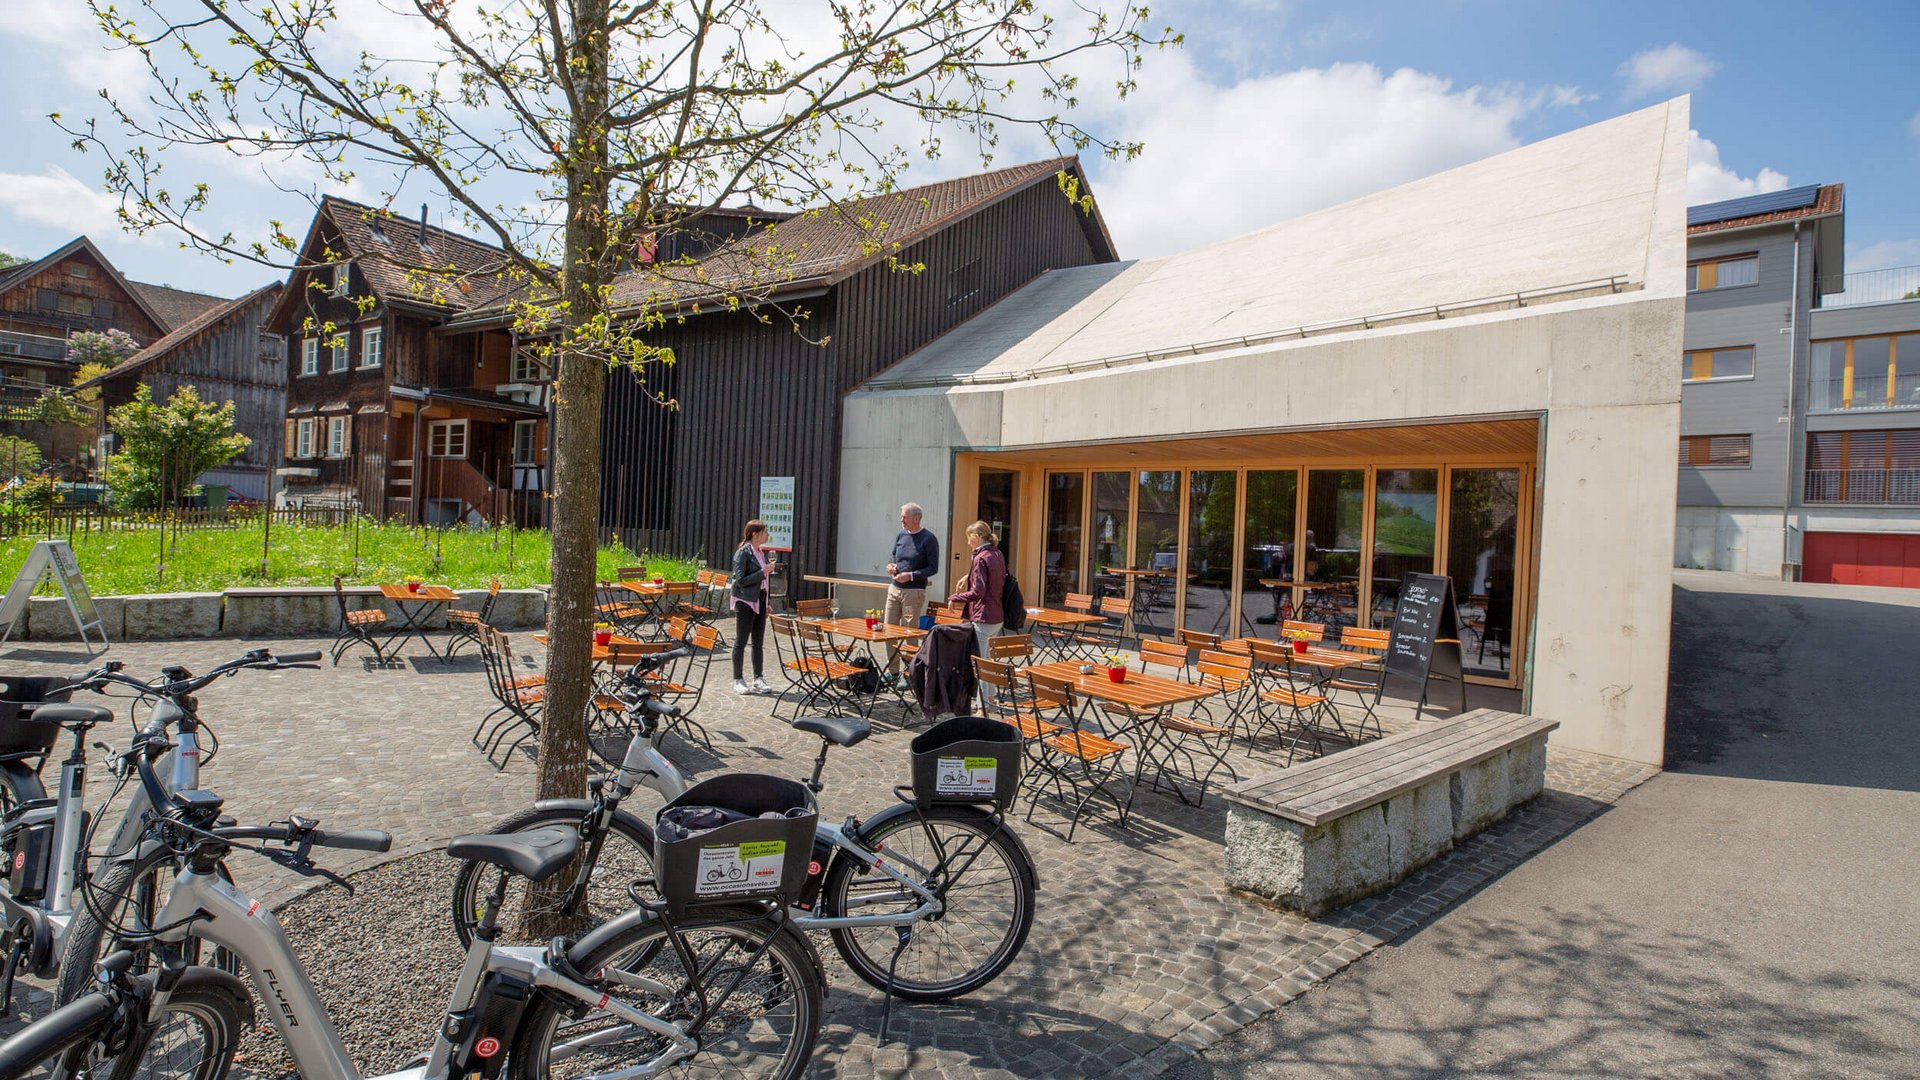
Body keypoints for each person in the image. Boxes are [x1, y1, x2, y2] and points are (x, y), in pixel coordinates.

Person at [945, 521, 1007, 701]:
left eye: (968, 538)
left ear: (977, 537)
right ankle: (990, 698)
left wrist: (955, 597)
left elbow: (978, 592)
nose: (967, 542)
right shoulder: (996, 553)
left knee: (980, 664)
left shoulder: (980, 558)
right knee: (987, 661)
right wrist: (968, 575)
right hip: (997, 615)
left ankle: (982, 707)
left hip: (983, 616)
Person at [883, 502, 940, 685]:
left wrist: (912, 576)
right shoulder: (900, 535)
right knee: (889, 629)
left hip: (913, 591)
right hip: (894, 589)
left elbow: (933, 568)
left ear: (916, 518)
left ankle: (910, 674)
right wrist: (892, 566)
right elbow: (893, 556)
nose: (902, 520)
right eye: (902, 516)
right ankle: (892, 672)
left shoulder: (929, 539)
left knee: (909, 632)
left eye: (905, 517)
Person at [729, 519, 776, 694]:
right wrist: (763, 571)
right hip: (745, 600)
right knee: (741, 641)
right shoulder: (743, 552)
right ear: (755, 534)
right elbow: (740, 580)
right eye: (765, 532)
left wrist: (767, 602)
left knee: (758, 642)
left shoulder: (761, 552)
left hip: (760, 600)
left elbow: (765, 583)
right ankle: (738, 679)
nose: (767, 535)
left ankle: (758, 678)